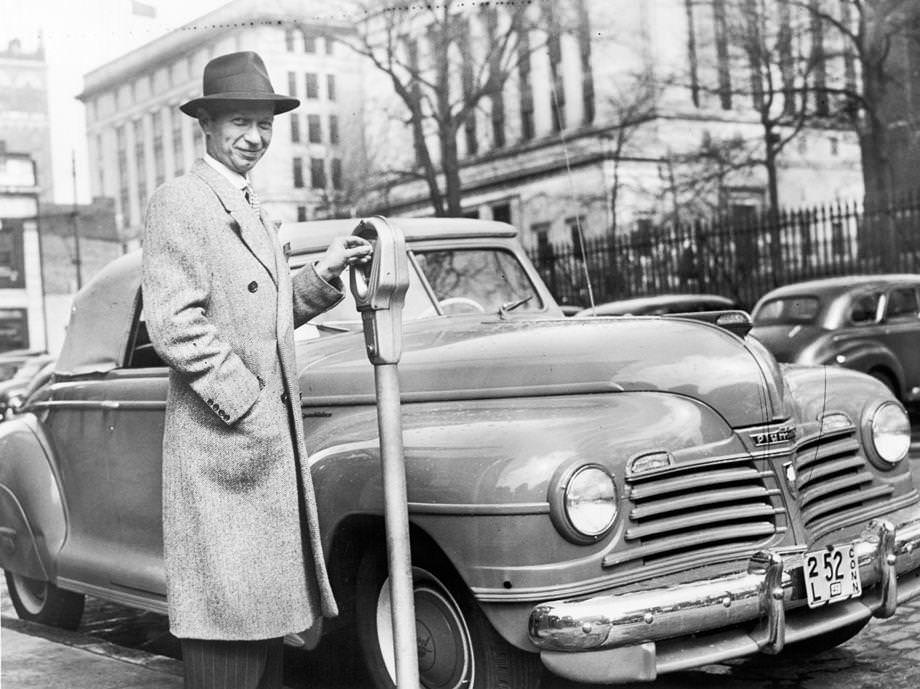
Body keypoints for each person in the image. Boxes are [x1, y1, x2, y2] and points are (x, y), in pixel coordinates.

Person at [141, 51, 371, 689]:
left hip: (257, 461)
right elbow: (174, 325)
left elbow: (260, 318)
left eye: (265, 123)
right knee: (227, 638)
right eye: (241, 121)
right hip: (226, 458)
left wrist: (322, 276)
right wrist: (248, 403)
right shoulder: (182, 201)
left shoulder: (246, 204)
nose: (255, 136)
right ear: (208, 126)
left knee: (262, 640)